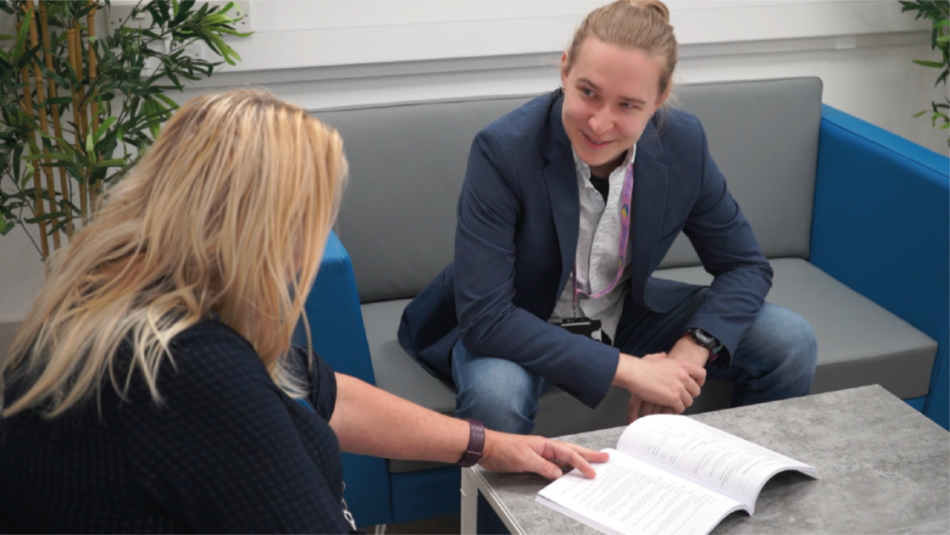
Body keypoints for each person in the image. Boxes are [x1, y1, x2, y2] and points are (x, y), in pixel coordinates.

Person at [0, 90, 608, 534]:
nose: (315, 248)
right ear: (263, 231)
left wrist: (490, 444)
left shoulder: (134, 300)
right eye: (315, 222)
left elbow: (324, 392)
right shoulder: (188, 372)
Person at [398, 0, 818, 435]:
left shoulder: (683, 142)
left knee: (790, 341)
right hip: (519, 322)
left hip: (623, 311)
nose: (600, 123)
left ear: (659, 99)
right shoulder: (502, 151)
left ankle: (736, 482)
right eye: (588, 92)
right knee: (494, 399)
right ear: (564, 71)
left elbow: (745, 265)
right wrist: (633, 371)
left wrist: (689, 352)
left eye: (629, 105)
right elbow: (486, 319)